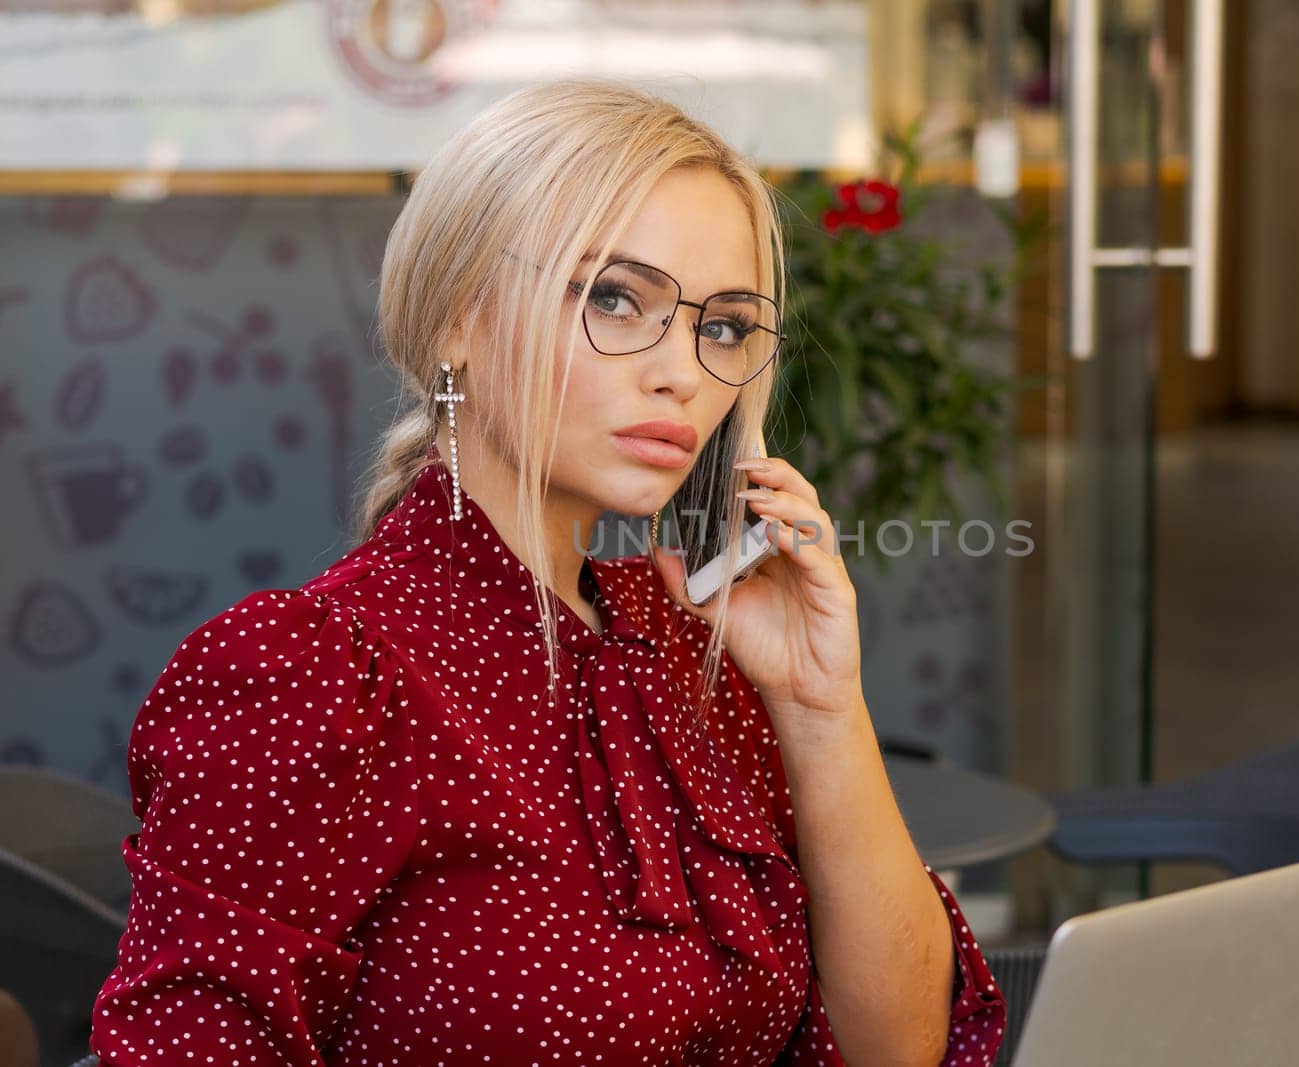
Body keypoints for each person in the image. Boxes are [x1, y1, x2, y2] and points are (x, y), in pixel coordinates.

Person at [88, 79, 1006, 1065]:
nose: (683, 373)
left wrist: (822, 705)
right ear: (458, 318)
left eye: (725, 324)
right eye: (615, 297)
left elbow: (897, 1049)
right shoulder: (309, 670)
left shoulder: (687, 645)